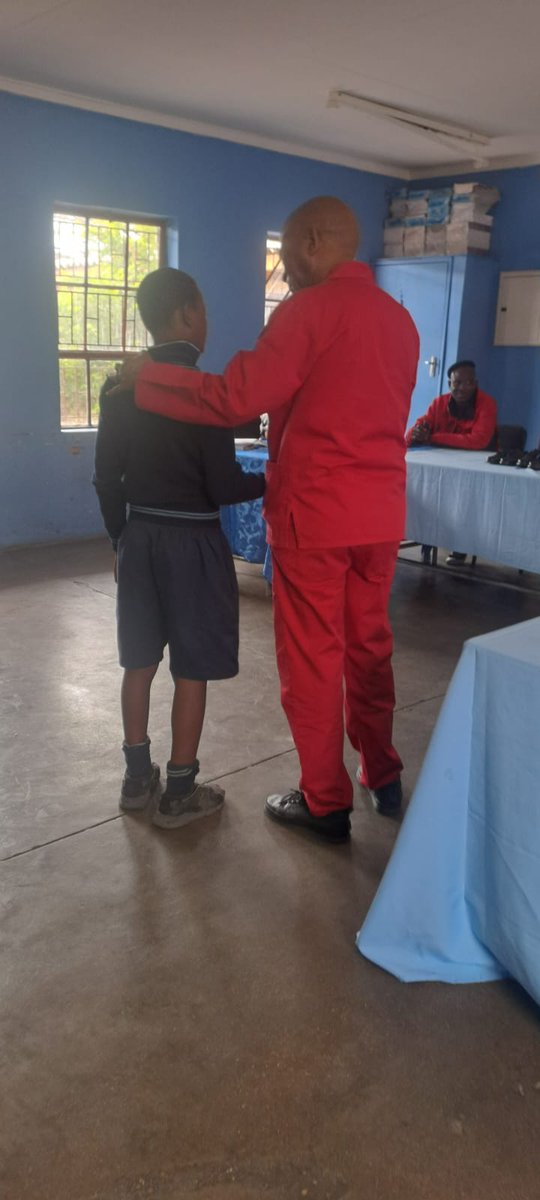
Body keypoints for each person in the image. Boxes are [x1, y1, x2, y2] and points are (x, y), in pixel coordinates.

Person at [130, 197, 419, 842]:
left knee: (313, 661)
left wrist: (149, 378)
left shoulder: (307, 312)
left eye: (286, 256)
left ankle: (325, 802)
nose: (285, 273)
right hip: (379, 518)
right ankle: (382, 773)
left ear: (314, 241)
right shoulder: (400, 320)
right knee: (369, 648)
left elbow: (235, 397)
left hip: (315, 519)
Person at [93, 267, 265, 829]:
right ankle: (180, 792)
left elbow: (105, 478)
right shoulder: (204, 392)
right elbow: (223, 486)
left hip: (140, 537)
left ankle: (135, 781)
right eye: (205, 311)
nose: (207, 321)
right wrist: (271, 479)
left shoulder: (119, 389)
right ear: (188, 314)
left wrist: (121, 539)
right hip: (194, 543)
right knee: (191, 669)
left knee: (139, 662)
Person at [406, 361, 497, 564]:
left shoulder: (487, 404)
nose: (462, 388)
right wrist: (417, 433)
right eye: (457, 383)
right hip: (444, 466)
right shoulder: (439, 403)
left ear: (475, 384)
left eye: (468, 383)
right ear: (449, 384)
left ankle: (461, 545)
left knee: (464, 497)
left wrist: (433, 438)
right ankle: (421, 533)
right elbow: (412, 434)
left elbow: (478, 440)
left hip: (476, 468)